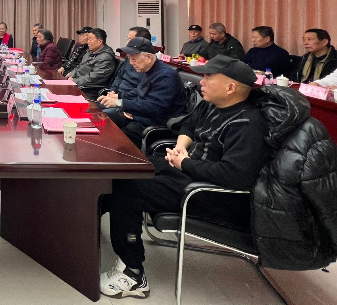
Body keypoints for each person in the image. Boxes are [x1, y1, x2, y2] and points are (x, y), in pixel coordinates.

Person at [101, 55, 268, 298]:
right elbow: (188, 125)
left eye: (209, 77)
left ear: (230, 88)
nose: (201, 82)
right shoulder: (212, 105)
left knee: (128, 188)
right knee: (125, 167)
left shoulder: (247, 123)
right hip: (189, 172)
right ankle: (84, 235)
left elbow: (234, 176)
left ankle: (133, 274)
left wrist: (186, 163)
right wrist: (181, 147)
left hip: (209, 192)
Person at [97, 37, 187, 147]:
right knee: (101, 119)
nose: (131, 63)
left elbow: (155, 108)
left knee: (112, 139)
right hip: (139, 116)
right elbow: (139, 93)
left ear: (149, 57)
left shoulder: (166, 76)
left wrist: (120, 103)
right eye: (129, 59)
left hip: (155, 124)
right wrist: (118, 97)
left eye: (134, 59)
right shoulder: (147, 70)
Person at [99, 27, 153, 105]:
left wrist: (118, 98)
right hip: (117, 97)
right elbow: (119, 76)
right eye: (127, 39)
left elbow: (140, 92)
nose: (127, 43)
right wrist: (112, 91)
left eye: (130, 39)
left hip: (128, 101)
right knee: (87, 107)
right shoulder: (129, 57)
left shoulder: (149, 68)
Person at [68, 28, 117, 100]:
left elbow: (93, 77)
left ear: (100, 41)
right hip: (78, 83)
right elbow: (79, 66)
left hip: (88, 89)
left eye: (90, 39)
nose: (88, 42)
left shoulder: (106, 58)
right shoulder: (90, 52)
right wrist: (71, 76)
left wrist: (74, 81)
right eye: (88, 39)